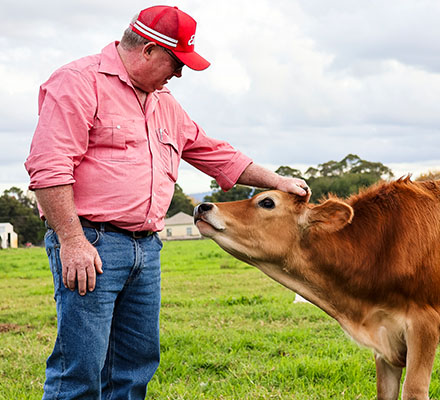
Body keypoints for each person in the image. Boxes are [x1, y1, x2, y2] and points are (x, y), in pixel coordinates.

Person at [25, 5, 309, 399]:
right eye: (177, 63)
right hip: (92, 244)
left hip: (146, 247)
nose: (179, 74)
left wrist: (278, 182)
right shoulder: (78, 82)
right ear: (147, 50)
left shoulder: (164, 103)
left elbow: (216, 154)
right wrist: (72, 241)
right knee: (81, 369)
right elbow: (49, 169)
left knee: (135, 367)